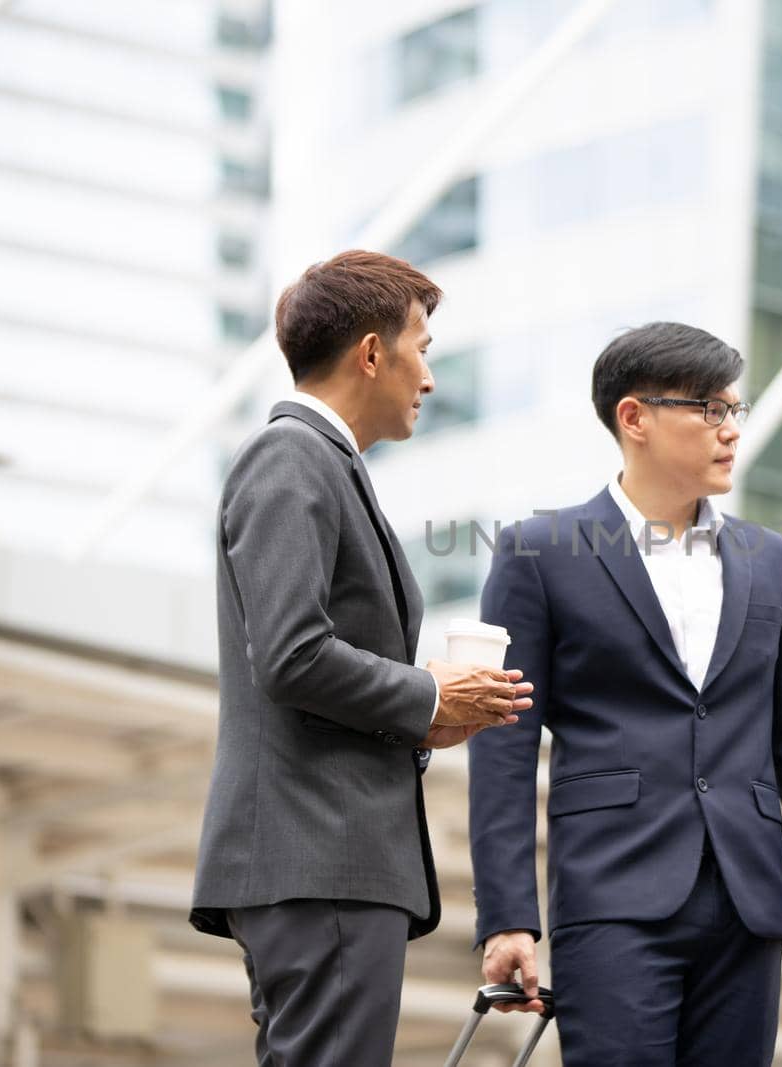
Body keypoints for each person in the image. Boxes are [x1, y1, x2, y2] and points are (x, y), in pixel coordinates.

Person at [469, 322, 782, 1065]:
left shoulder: (770, 559)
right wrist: (506, 917)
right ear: (635, 418)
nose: (731, 430)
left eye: (735, 411)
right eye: (710, 410)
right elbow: (504, 742)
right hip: (612, 895)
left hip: (746, 899)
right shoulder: (537, 552)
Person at [189, 250, 533, 1066]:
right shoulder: (292, 457)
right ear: (371, 353)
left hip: (323, 860)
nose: (429, 377)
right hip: (319, 855)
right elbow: (292, 654)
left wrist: (427, 719)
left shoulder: (323, 464)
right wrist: (423, 695)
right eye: (421, 348)